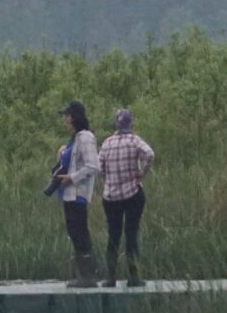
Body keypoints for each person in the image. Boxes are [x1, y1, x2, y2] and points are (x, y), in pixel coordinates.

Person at [95, 107, 155, 287]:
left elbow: (99, 167)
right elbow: (150, 154)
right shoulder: (135, 141)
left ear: (117, 123)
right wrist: (142, 172)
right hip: (132, 193)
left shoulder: (107, 143)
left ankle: (111, 278)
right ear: (131, 123)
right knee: (131, 234)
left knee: (113, 236)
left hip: (111, 196)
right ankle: (133, 277)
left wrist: (109, 176)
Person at [51, 100, 103, 286]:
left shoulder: (85, 137)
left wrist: (71, 178)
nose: (65, 119)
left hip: (78, 194)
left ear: (74, 117)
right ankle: (84, 275)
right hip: (68, 194)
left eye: (67, 115)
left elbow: (93, 166)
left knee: (80, 233)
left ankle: (88, 277)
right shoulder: (74, 139)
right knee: (74, 232)